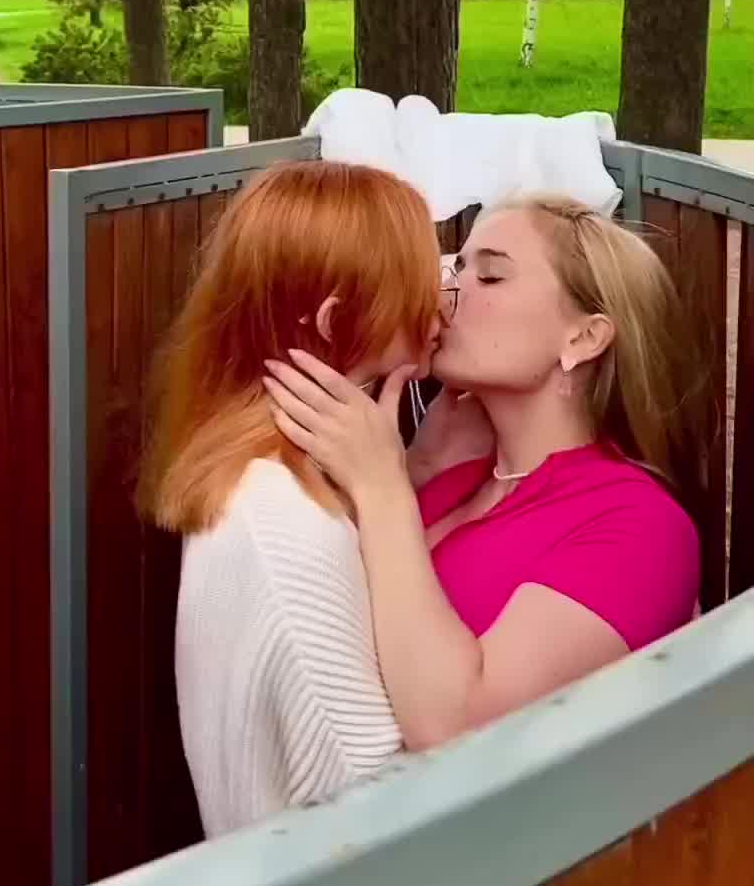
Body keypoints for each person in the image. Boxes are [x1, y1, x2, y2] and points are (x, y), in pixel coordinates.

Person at [265, 196, 707, 756]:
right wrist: (416, 469)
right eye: (457, 267)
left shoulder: (641, 527)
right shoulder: (454, 472)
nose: (444, 295)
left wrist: (383, 488)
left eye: (491, 276)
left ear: (583, 338)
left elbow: (458, 731)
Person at [137, 160, 447, 837]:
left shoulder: (265, 471)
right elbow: (378, 811)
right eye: (421, 282)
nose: (442, 304)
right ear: (336, 321)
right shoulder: (288, 528)